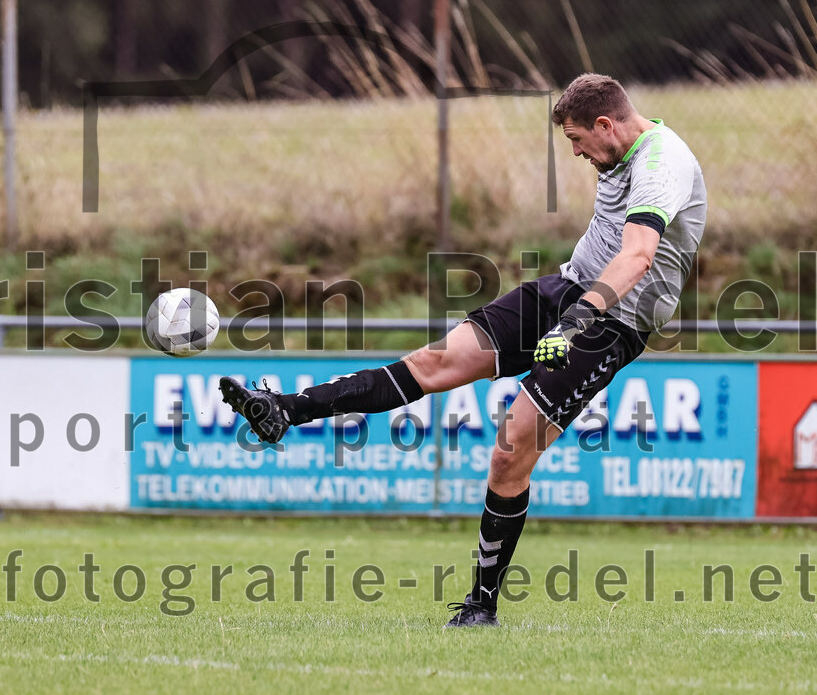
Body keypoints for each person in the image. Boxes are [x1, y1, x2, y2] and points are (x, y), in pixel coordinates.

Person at [219, 73, 707, 627]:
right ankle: (284, 410)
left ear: (604, 125)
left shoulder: (662, 163)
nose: (575, 153)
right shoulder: (617, 149)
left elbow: (638, 256)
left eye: (577, 140)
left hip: (609, 322)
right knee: (433, 362)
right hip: (568, 289)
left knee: (508, 454)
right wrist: (570, 308)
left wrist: (576, 322)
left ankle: (481, 605)